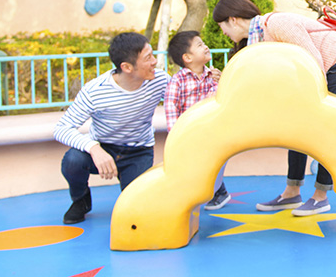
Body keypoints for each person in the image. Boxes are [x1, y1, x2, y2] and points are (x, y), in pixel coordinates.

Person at [212, 0, 336, 216]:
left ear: (233, 19)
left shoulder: (277, 24)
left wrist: (319, 102)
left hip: (333, 62)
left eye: (223, 28)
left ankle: (321, 196)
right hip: (310, 74)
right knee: (296, 129)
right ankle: (291, 193)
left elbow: (313, 60)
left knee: (328, 128)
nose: (224, 34)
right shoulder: (255, 41)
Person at [54, 32, 169, 224]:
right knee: (73, 160)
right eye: (148, 57)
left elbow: (183, 98)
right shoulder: (96, 90)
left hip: (138, 151)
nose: (155, 62)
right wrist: (94, 148)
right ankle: (80, 200)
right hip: (104, 147)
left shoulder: (160, 80)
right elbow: (62, 128)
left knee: (136, 211)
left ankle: (132, 191)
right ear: (126, 67)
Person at [164, 30, 227, 210]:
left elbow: (221, 99)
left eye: (203, 43)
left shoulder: (214, 76)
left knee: (211, 163)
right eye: (199, 45)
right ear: (187, 57)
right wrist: (176, 134)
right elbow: (171, 107)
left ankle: (218, 191)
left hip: (210, 131)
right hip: (188, 133)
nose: (205, 46)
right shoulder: (178, 81)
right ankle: (213, 191)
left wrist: (222, 81)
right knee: (191, 166)